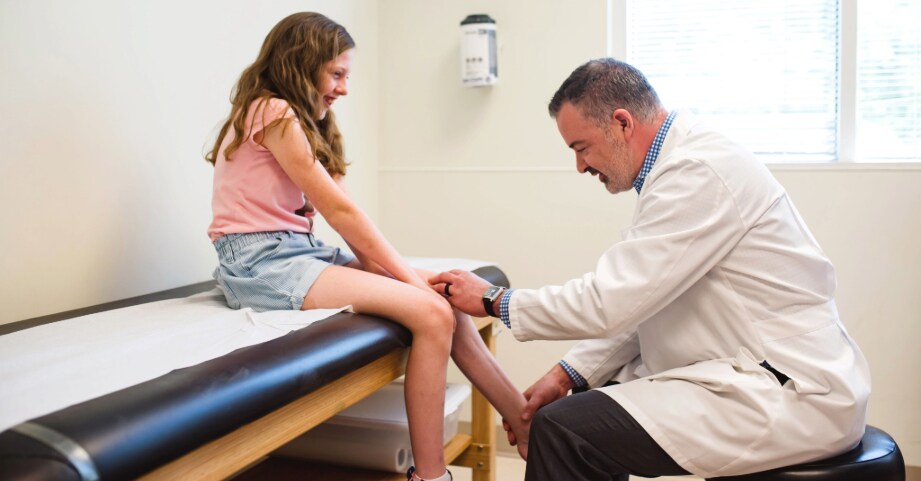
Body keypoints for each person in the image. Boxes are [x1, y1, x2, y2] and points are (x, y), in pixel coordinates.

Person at [431, 58, 871, 481]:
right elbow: (645, 301)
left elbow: (611, 303)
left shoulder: (697, 172)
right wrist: (563, 375)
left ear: (622, 123)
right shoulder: (680, 168)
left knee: (565, 430)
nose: (580, 166)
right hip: (759, 370)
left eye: (581, 148)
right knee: (585, 399)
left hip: (789, 392)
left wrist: (493, 300)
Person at [204, 13, 529, 481]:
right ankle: (431, 476)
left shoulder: (310, 125)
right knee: (432, 312)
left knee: (441, 301)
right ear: (302, 63)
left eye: (346, 75)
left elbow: (348, 215)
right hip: (259, 263)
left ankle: (524, 418)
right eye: (336, 73)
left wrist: (413, 280)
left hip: (299, 251)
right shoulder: (271, 111)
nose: (343, 87)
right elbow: (341, 215)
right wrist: (411, 279)